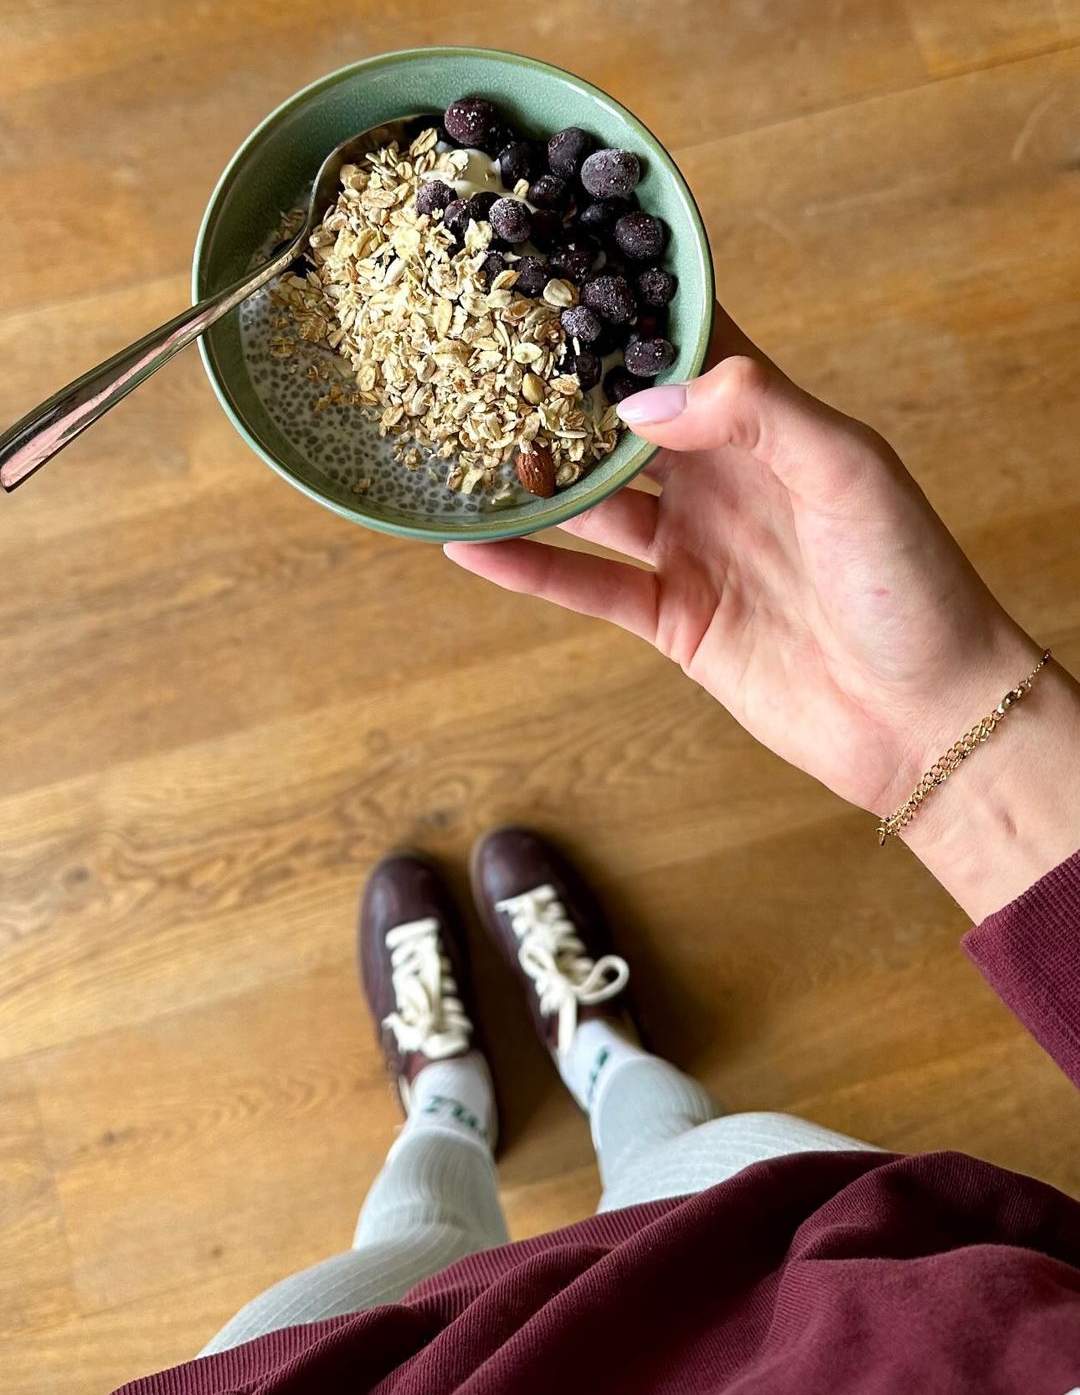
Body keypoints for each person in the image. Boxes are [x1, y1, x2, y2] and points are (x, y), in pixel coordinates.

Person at [116, 317, 1080, 1395]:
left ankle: (451, 1098)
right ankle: (602, 1050)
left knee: (405, 1246)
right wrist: (948, 733)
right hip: (797, 1264)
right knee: (674, 1151)